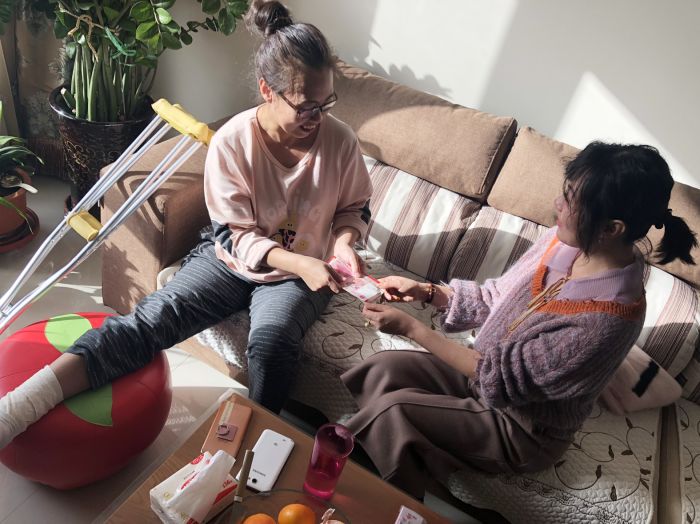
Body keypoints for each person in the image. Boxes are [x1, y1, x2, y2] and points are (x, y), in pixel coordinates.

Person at [0, 0, 372, 448]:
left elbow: (355, 208)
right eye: (306, 106)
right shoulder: (234, 143)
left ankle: (249, 446)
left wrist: (344, 243)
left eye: (326, 103)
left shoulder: (340, 141)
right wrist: (299, 262)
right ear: (267, 90)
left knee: (272, 343)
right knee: (149, 320)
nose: (318, 118)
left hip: (301, 274)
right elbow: (234, 236)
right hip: (233, 260)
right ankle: (20, 407)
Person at [343, 142, 697, 499]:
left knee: (396, 412)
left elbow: (495, 377)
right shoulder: (562, 243)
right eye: (565, 192)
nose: (557, 204)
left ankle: (374, 493)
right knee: (383, 369)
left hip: (522, 428)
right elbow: (496, 297)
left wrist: (410, 327)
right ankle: (391, 466)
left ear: (611, 228)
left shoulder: (606, 321)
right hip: (481, 376)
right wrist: (426, 291)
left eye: (570, 200)